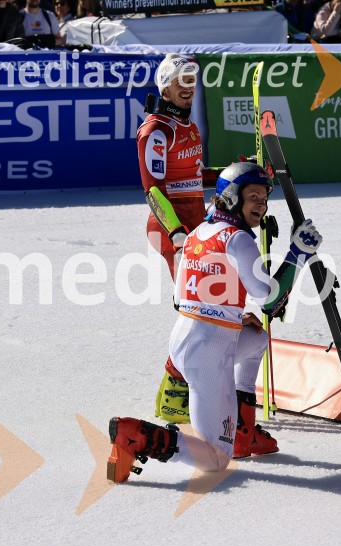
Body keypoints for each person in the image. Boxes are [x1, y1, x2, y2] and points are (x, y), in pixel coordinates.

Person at [107, 163, 324, 483]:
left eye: (264, 198)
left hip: (187, 339)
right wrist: (298, 252)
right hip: (209, 353)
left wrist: (231, 316)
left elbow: (181, 299)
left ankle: (242, 432)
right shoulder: (237, 238)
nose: (261, 206)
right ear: (233, 197)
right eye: (253, 197)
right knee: (214, 459)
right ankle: (133, 435)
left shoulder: (198, 233)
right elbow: (270, 301)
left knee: (256, 340)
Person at [137, 54, 208, 425]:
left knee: (209, 308)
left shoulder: (188, 126)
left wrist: (238, 176)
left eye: (192, 82)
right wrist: (178, 235)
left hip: (196, 226)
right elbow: (153, 189)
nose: (188, 89)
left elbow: (194, 179)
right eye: (181, 82)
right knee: (196, 312)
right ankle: (173, 395)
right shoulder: (156, 130)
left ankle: (188, 387)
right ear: (164, 85)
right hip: (171, 228)